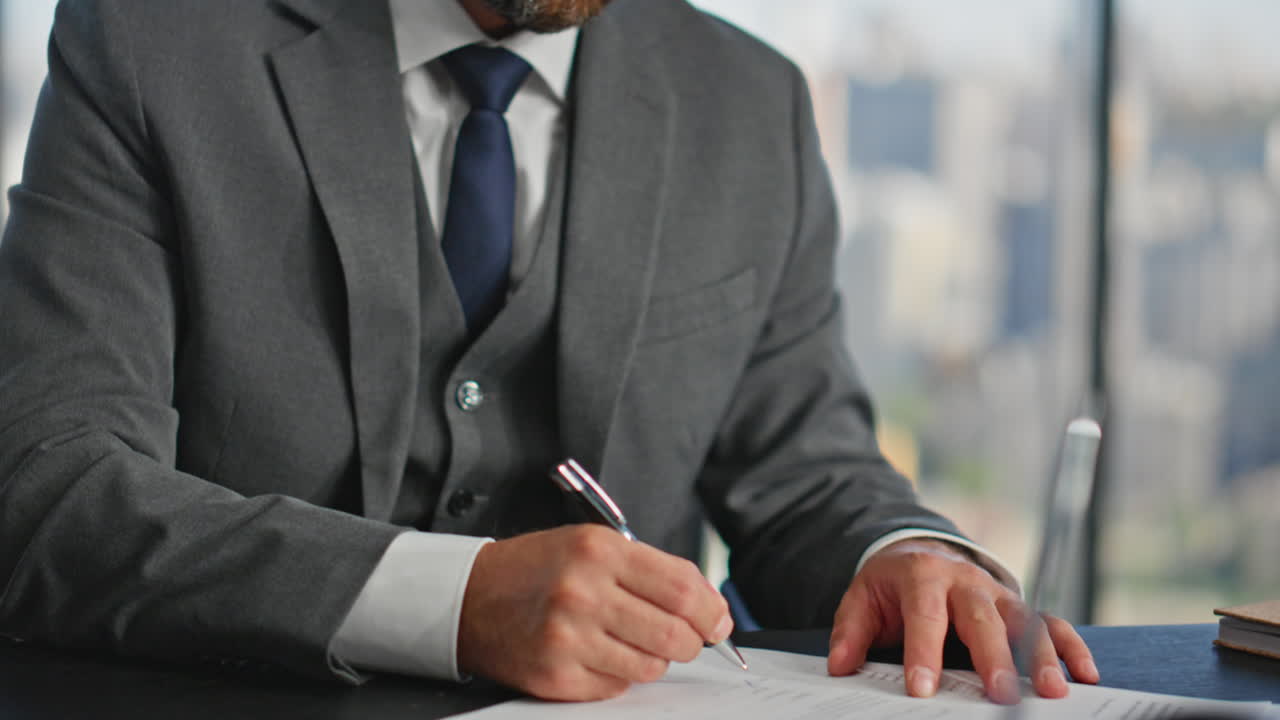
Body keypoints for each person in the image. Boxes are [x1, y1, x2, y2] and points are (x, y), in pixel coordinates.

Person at [0, 0, 1098, 705]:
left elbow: (800, 464)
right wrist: (451, 600)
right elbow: (49, 492)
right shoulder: (151, 41)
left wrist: (899, 552)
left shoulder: (746, 103)